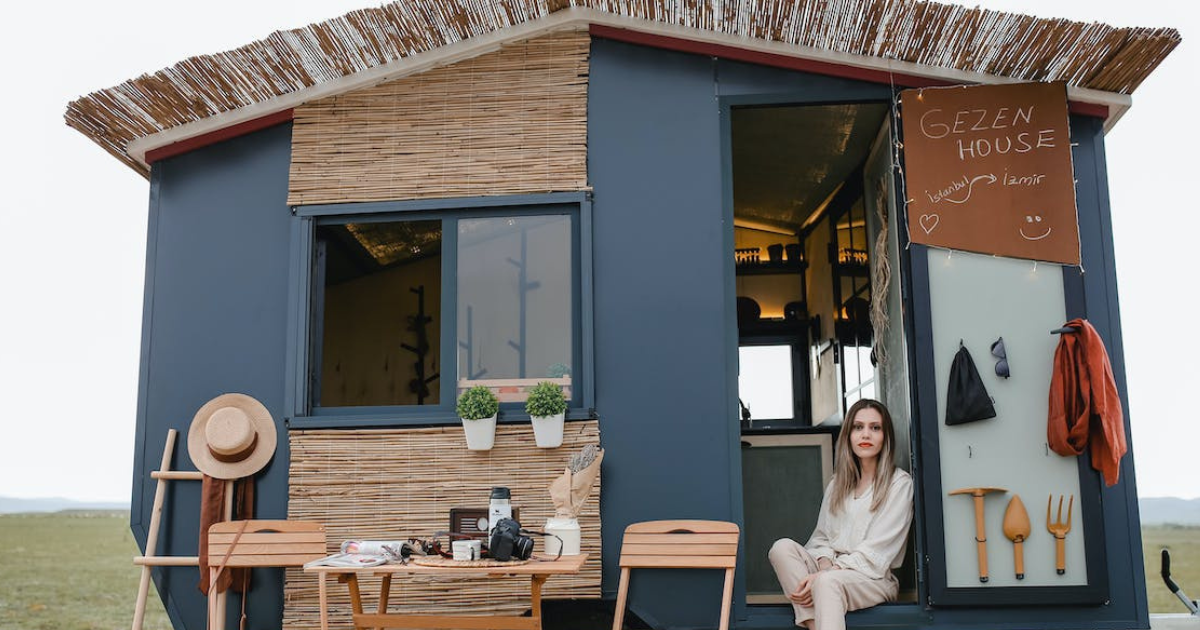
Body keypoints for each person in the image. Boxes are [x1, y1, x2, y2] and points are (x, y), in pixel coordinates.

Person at [768, 398, 913, 630]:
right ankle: (817, 624)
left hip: (873, 579)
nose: (866, 435)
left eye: (875, 428)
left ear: (886, 437)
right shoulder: (838, 484)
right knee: (781, 548)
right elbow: (821, 538)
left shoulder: (899, 484)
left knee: (826, 582)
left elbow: (878, 551)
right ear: (848, 435)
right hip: (831, 573)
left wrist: (828, 573)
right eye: (858, 427)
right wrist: (825, 567)